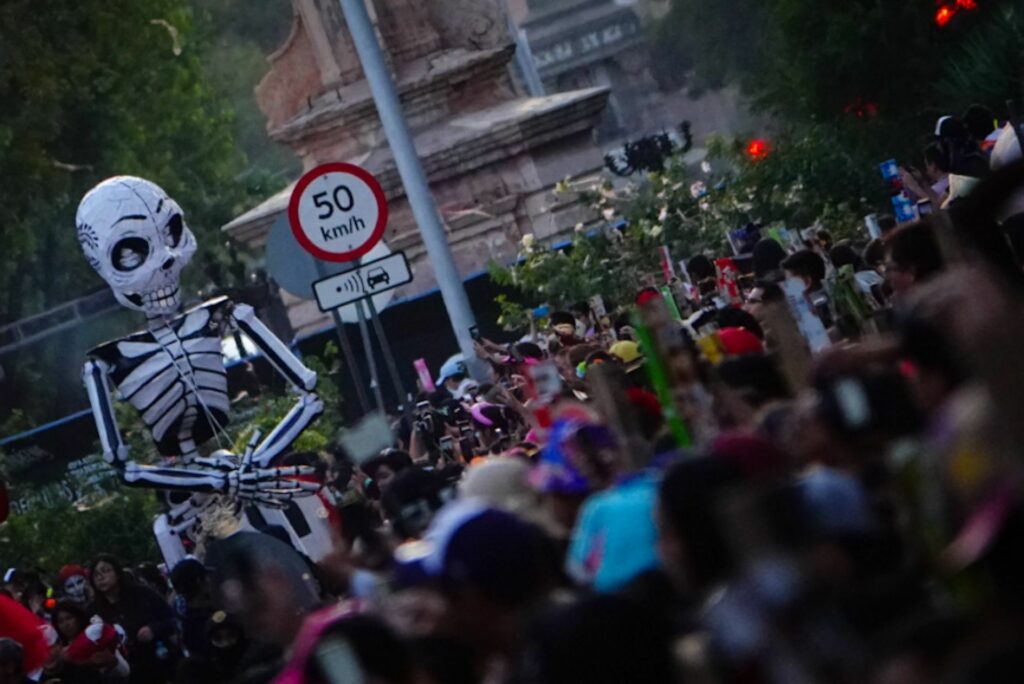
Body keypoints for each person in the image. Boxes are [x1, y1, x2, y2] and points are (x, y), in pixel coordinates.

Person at [87, 555, 177, 684]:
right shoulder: (93, 610)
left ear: (117, 573)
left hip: (159, 664)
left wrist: (153, 629)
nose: (100, 577)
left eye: (105, 570)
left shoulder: (142, 594)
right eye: (96, 575)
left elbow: (172, 619)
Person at [883, 219, 945, 298]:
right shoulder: (960, 286)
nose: (888, 276)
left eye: (891, 268)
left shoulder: (926, 306)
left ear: (911, 270)